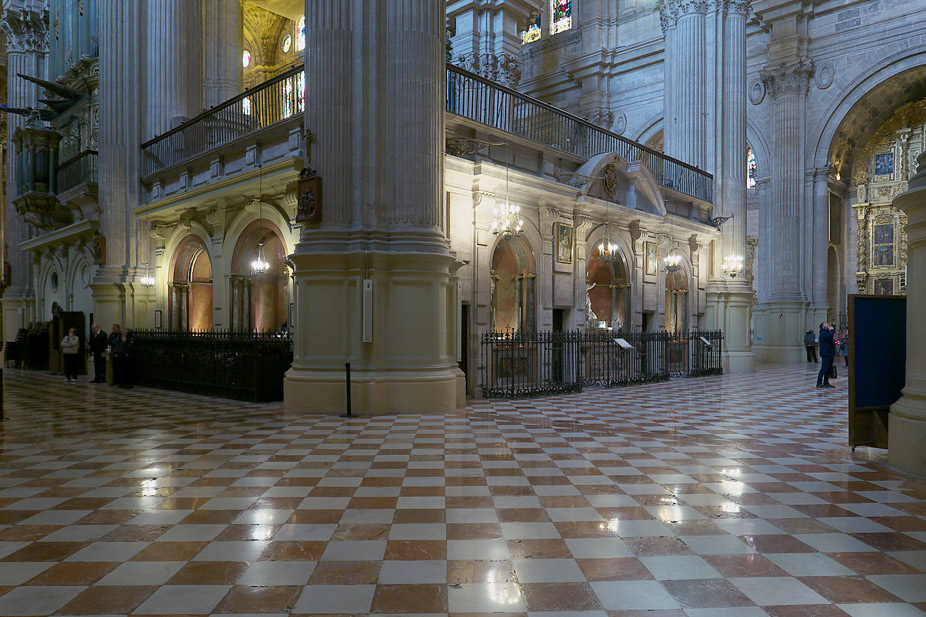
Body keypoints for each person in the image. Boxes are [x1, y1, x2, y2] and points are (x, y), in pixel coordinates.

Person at [816, 322, 836, 388]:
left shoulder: (827, 332)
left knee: (828, 369)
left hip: (829, 353)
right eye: (826, 324)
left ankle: (826, 382)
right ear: (823, 326)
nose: (828, 324)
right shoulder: (823, 333)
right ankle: (819, 383)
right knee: (824, 368)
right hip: (826, 353)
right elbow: (830, 337)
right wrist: (832, 330)